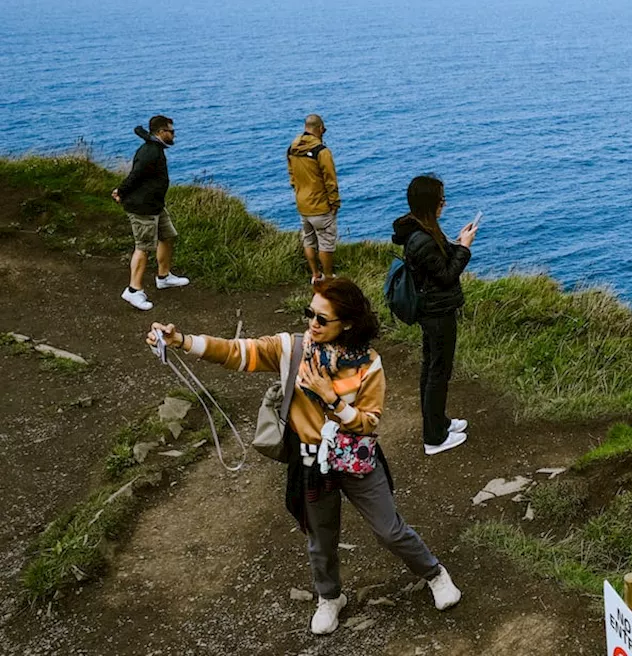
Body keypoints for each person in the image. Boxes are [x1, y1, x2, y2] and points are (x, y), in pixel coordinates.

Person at [145, 278, 461, 635]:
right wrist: (182, 341)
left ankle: (434, 573)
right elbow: (238, 352)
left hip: (356, 459)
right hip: (312, 462)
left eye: (322, 318)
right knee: (320, 538)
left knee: (389, 530)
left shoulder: (369, 365)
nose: (312, 322)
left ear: (349, 323)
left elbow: (368, 422)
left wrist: (333, 401)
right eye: (309, 313)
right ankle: (330, 598)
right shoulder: (292, 349)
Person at [391, 175, 478, 455]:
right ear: (431, 203)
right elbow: (447, 275)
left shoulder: (421, 230)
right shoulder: (422, 238)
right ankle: (434, 438)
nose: (445, 203)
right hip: (437, 312)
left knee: (432, 368)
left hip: (433, 310)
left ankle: (439, 422)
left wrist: (456, 242)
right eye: (441, 199)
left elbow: (437, 264)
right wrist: (465, 248)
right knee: (438, 372)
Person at [112, 115, 189, 310]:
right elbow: (135, 176)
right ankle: (133, 291)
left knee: (168, 236)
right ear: (161, 132)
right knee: (144, 247)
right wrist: (121, 192)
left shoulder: (156, 149)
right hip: (143, 208)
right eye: (171, 131)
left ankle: (163, 277)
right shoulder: (149, 152)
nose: (174, 134)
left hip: (155, 205)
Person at [286, 114, 341, 284]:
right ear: (318, 128)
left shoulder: (292, 149)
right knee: (326, 242)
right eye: (323, 129)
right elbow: (330, 180)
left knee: (308, 239)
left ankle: (315, 274)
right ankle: (328, 276)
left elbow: (292, 177)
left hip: (302, 204)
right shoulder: (321, 152)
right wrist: (334, 203)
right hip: (320, 205)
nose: (324, 132)